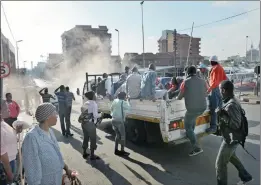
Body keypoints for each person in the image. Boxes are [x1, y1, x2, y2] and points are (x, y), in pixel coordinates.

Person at [22, 103, 73, 185]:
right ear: (47, 117)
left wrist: (66, 168)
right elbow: (31, 169)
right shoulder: (32, 137)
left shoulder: (50, 131)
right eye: (55, 113)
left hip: (56, 179)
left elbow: (56, 154)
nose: (57, 116)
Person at [215, 80, 252, 185]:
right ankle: (246, 176)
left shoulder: (231, 104)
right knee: (231, 156)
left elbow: (235, 125)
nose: (219, 92)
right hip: (232, 137)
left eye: (220, 90)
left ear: (224, 90)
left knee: (220, 165)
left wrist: (222, 114)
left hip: (232, 138)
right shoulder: (232, 99)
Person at [177, 66, 208, 156]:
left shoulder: (185, 82)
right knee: (192, 119)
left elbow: (179, 97)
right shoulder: (203, 81)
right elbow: (207, 93)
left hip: (192, 109)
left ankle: (196, 148)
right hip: (202, 107)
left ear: (187, 73)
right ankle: (191, 135)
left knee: (188, 126)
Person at [206, 55, 227, 133]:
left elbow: (214, 82)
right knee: (220, 109)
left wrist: (209, 90)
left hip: (215, 89)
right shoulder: (221, 68)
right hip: (220, 90)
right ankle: (221, 126)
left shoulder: (215, 69)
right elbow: (225, 79)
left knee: (213, 109)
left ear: (212, 62)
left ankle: (213, 127)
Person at [0, 99, 19, 185]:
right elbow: (2, 154)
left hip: (11, 160)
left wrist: (16, 131)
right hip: (6, 165)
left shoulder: (3, 122)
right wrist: (9, 173)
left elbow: (7, 136)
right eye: (6, 108)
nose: (9, 109)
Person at [79, 91, 101, 160]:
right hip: (90, 124)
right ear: (92, 96)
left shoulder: (86, 103)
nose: (95, 96)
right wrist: (101, 114)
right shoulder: (94, 104)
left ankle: (84, 152)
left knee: (86, 138)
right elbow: (95, 115)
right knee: (93, 139)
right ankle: (92, 155)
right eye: (95, 95)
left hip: (83, 123)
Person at [111, 92, 130, 156]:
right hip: (119, 121)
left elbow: (111, 108)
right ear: (124, 97)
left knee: (117, 135)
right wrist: (127, 100)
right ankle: (122, 151)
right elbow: (129, 108)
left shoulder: (114, 101)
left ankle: (116, 150)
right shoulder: (123, 102)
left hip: (113, 120)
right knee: (123, 136)